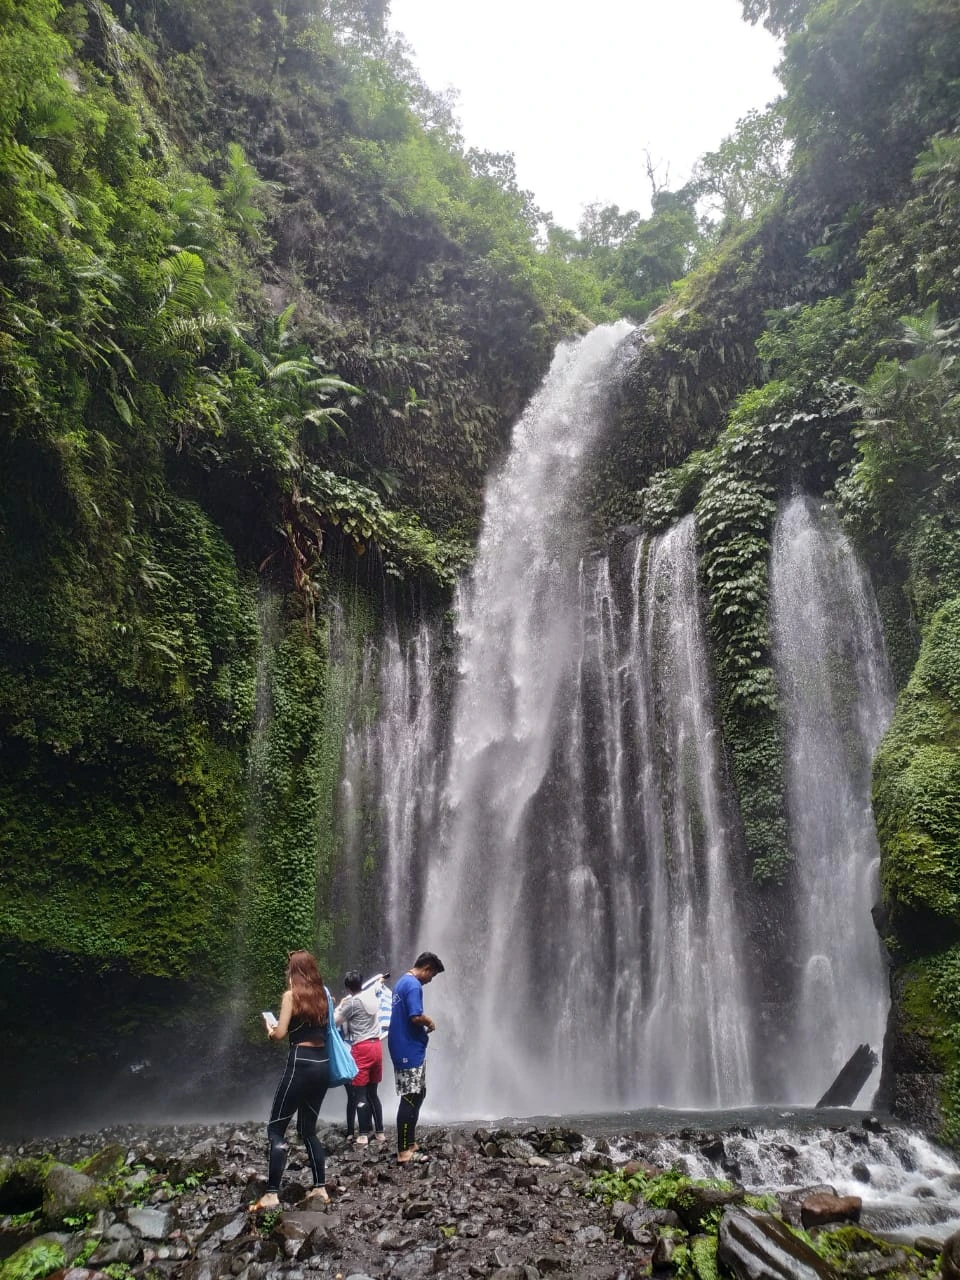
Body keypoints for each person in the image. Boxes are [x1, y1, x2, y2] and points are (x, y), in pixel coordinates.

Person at [250, 949, 333, 1211]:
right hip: (322, 1064)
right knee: (308, 1130)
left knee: (276, 1129)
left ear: (293, 971)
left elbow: (281, 1034)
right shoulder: (323, 996)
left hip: (300, 1063)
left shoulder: (291, 996)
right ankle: (320, 1188)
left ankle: (272, 1194)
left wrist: (269, 1029)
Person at [387, 950, 444, 1165]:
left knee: (419, 1093)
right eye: (432, 975)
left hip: (408, 1048)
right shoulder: (413, 985)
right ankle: (404, 1150)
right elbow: (415, 1016)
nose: (430, 980)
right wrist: (429, 1022)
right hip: (407, 1050)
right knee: (410, 1097)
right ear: (427, 968)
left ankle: (410, 1142)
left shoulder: (403, 982)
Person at [335, 969, 386, 1145]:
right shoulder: (372, 995)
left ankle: (363, 1133)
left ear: (348, 987)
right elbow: (377, 987)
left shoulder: (352, 1003)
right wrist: (379, 981)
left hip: (361, 1047)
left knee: (360, 1093)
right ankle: (379, 1131)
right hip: (377, 1046)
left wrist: (341, 1005)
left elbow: (335, 1022)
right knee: (374, 1092)